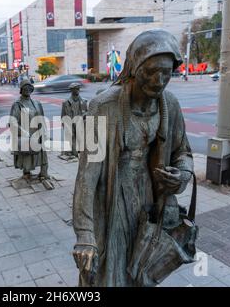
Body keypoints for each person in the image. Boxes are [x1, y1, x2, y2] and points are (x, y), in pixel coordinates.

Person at [72, 29, 194, 287]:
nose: (159, 80)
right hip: (112, 200)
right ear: (134, 67)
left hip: (148, 200)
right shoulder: (103, 106)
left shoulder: (169, 105)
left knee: (142, 268)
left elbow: (183, 151)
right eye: (150, 72)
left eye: (166, 73)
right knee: (108, 272)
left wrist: (181, 175)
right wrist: (84, 233)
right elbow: (87, 174)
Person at [10, 79, 49, 180]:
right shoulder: (17, 104)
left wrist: (44, 131)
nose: (27, 89)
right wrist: (23, 133)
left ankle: (43, 172)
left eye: (29, 88)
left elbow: (41, 117)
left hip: (37, 132)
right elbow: (13, 122)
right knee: (27, 154)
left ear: (32, 89)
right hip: (25, 134)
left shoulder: (36, 103)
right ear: (21, 90)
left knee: (42, 153)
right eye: (25, 88)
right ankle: (27, 172)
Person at [61, 83, 88, 159]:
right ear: (71, 90)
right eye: (75, 89)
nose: (77, 90)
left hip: (80, 122)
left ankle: (81, 152)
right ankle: (73, 152)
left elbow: (87, 113)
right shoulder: (66, 103)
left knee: (81, 137)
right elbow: (63, 115)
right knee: (71, 137)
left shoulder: (84, 101)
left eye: (78, 88)